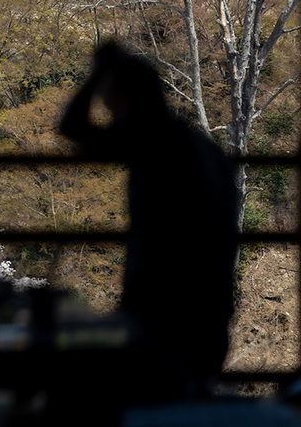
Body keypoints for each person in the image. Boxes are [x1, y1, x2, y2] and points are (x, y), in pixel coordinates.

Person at [59, 41, 239, 404]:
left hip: (162, 321)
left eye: (111, 101)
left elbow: (72, 128)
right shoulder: (201, 148)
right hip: (208, 318)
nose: (108, 110)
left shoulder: (153, 141)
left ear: (126, 99)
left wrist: (96, 74)